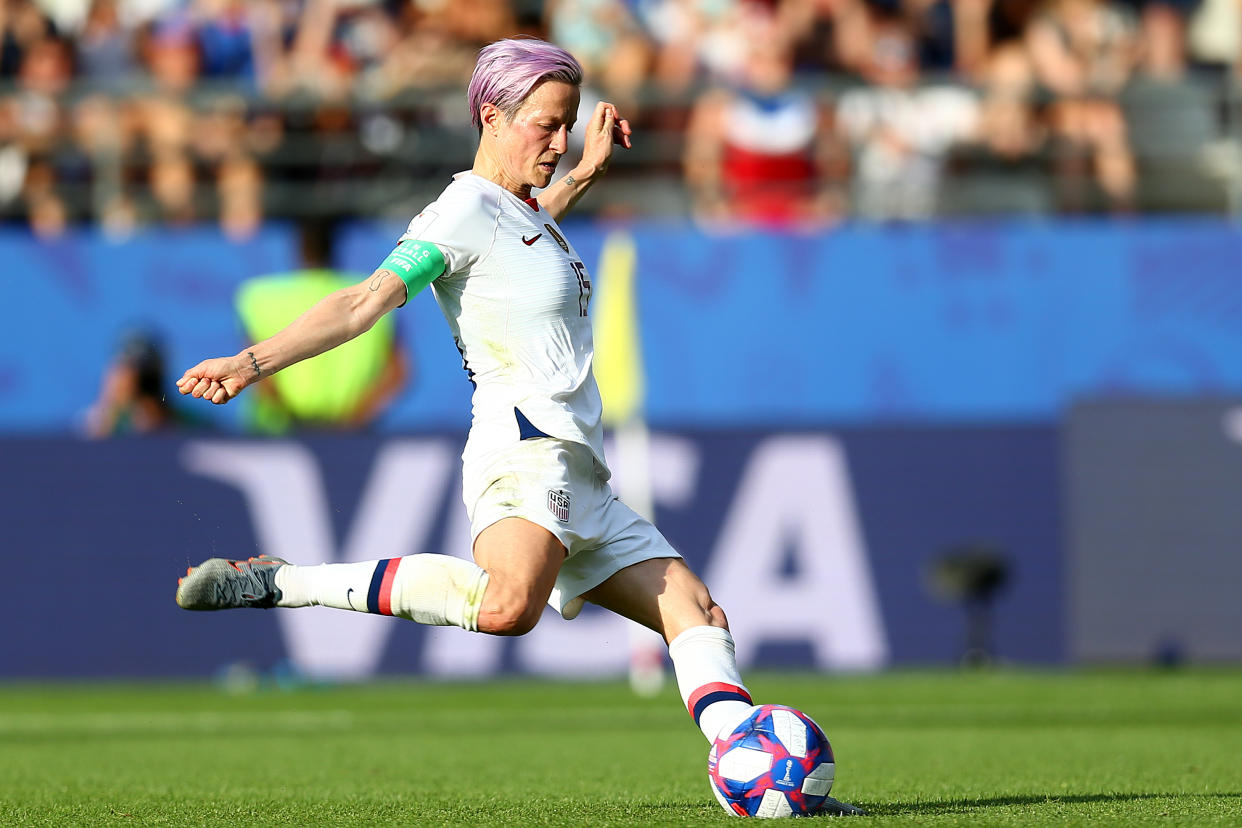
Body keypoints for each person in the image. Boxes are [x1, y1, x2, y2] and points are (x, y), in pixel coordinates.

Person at [173, 37, 862, 816]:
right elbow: (363, 301)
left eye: (567, 123)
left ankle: (767, 779)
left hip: (582, 467)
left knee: (697, 613)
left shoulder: (521, 212)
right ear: (492, 115)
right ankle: (278, 582)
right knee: (506, 607)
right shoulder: (461, 209)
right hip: (524, 445)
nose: (559, 139)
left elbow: (526, 231)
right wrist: (252, 363)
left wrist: (586, 174)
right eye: (546, 123)